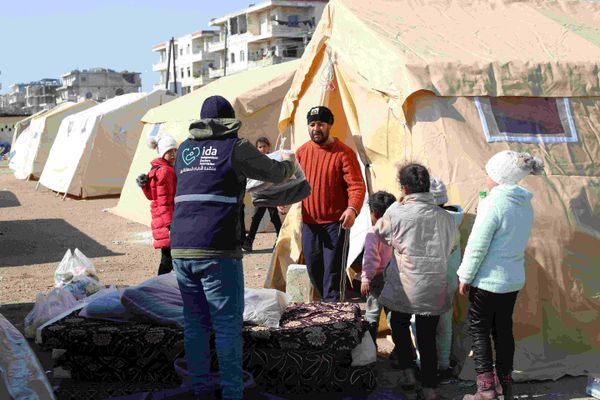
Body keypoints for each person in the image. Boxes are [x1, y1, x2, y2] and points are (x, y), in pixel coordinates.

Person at [169, 95, 295, 400]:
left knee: (195, 324)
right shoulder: (235, 148)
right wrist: (291, 163)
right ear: (229, 122)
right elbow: (274, 173)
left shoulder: (184, 149)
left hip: (181, 248)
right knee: (226, 326)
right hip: (217, 247)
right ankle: (232, 394)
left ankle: (200, 390)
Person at [458, 151, 544, 400]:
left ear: (498, 177)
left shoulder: (494, 203)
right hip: (512, 280)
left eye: (488, 173)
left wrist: (465, 275)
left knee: (480, 330)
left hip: (487, 280)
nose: (485, 176)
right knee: (503, 330)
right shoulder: (522, 202)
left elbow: (477, 244)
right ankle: (505, 385)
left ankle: (485, 390)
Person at [374, 163, 457, 400]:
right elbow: (451, 246)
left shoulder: (395, 212)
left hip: (405, 284)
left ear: (403, 187)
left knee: (398, 322)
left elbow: (380, 233)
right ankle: (430, 390)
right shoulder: (446, 218)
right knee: (427, 336)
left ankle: (409, 376)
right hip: (434, 286)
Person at [297, 105, 366, 302]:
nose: (316, 128)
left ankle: (335, 315)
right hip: (310, 223)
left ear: (330, 125)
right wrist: (284, 200)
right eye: (312, 124)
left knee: (333, 273)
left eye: (320, 124)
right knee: (314, 269)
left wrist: (352, 209)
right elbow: (294, 183)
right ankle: (328, 305)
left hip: (336, 224)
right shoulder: (302, 152)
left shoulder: (344, 153)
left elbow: (356, 186)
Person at [137, 134, 178, 275]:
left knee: (168, 257)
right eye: (169, 152)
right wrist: (171, 225)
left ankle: (162, 287)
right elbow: (164, 201)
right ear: (162, 153)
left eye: (175, 151)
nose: (173, 155)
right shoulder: (166, 171)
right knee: (169, 260)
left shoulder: (157, 168)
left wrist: (144, 186)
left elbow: (151, 196)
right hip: (167, 221)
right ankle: (160, 288)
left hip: (161, 219)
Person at [361, 191, 396, 344]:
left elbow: (371, 259)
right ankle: (400, 350)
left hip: (376, 278)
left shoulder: (372, 233)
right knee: (393, 316)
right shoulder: (396, 229)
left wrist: (366, 278)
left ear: (373, 212)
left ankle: (369, 348)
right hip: (394, 276)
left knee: (372, 315)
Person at [242, 136, 284, 252]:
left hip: (270, 192)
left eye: (264, 146)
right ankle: (249, 242)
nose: (262, 149)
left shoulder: (272, 159)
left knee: (273, 217)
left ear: (268, 147)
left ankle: (280, 239)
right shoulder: (255, 160)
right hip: (260, 193)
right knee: (257, 217)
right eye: (260, 147)